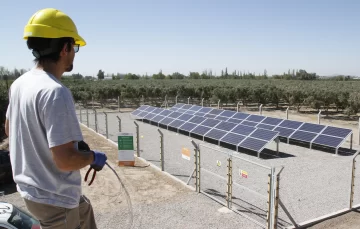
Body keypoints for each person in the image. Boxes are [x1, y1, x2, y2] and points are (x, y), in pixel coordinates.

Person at [4, 8, 107, 229]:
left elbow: (9, 130)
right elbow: (65, 161)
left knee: (84, 210)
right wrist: (92, 157)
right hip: (55, 200)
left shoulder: (19, 84)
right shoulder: (55, 91)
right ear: (65, 47)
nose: (74, 53)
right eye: (74, 47)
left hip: (32, 192)